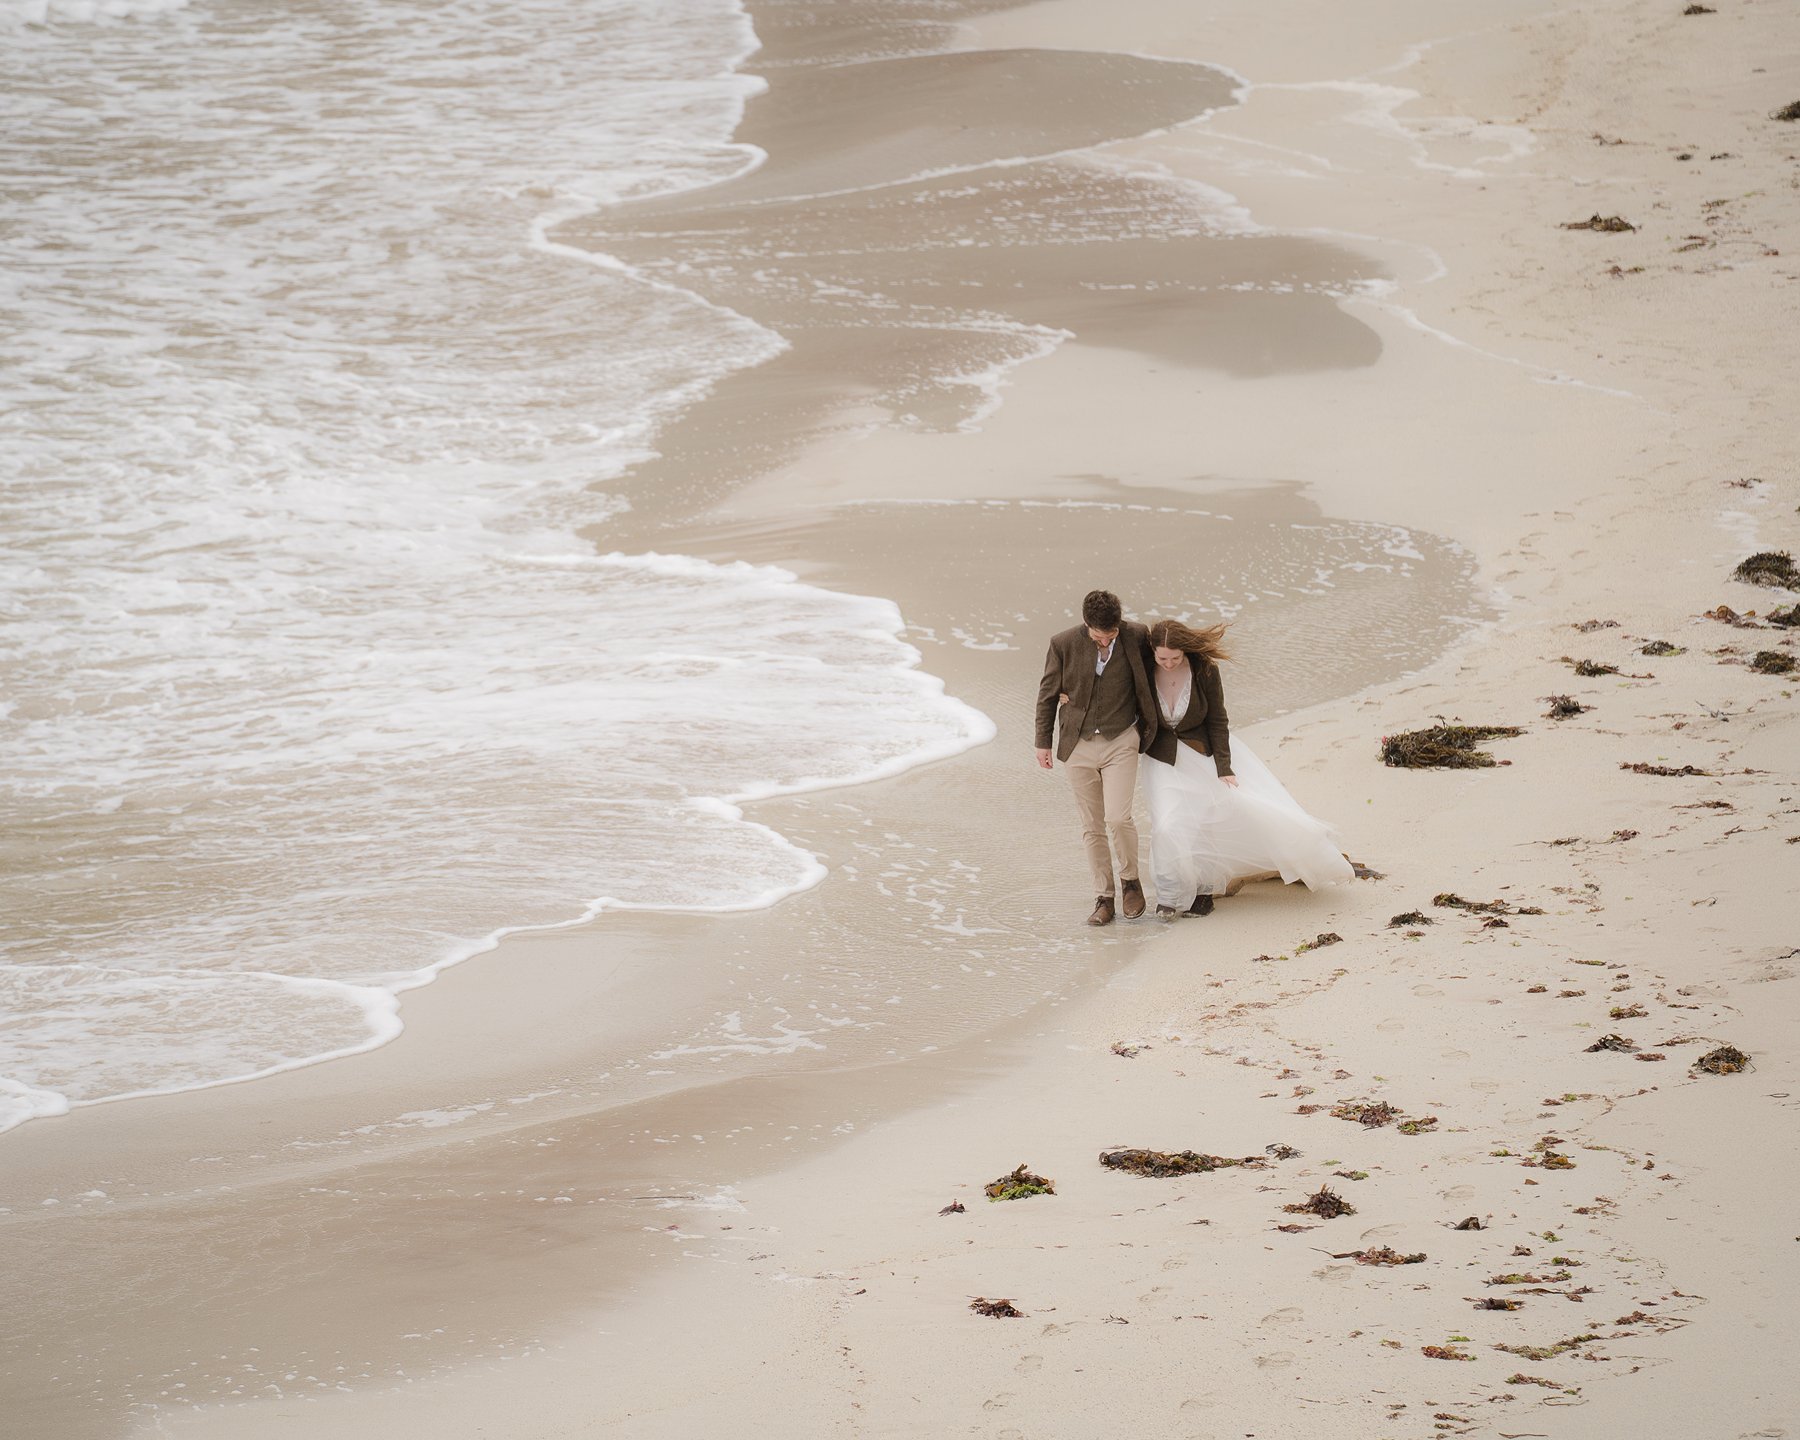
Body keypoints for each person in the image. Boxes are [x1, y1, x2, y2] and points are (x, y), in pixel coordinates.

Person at [1140, 617, 1353, 917]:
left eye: (1175, 657)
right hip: (1162, 757)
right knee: (1167, 824)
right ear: (1153, 651)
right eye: (1163, 658)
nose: (1169, 663)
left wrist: (1224, 767)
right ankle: (1168, 895)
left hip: (1202, 754)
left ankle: (1204, 891)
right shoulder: (1144, 668)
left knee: (1204, 822)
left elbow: (1217, 720)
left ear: (1185, 651)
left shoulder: (1204, 670)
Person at [1035, 590, 1160, 926]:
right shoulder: (1062, 643)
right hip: (1078, 744)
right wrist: (1042, 742)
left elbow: (1161, 665)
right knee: (1092, 826)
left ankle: (1131, 882)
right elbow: (1047, 694)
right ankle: (1103, 899)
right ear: (1086, 624)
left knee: (1118, 818)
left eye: (1111, 634)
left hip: (1122, 738)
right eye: (1098, 635)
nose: (1105, 640)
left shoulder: (1136, 635)